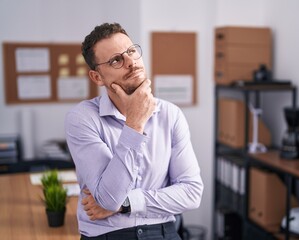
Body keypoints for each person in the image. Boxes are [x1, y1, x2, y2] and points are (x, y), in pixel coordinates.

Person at [65, 22, 203, 240]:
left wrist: (126, 204)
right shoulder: (83, 118)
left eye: (131, 51)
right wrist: (135, 122)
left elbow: (192, 193)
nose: (130, 62)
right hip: (108, 236)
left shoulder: (171, 114)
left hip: (163, 233)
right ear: (97, 77)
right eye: (116, 60)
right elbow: (108, 198)